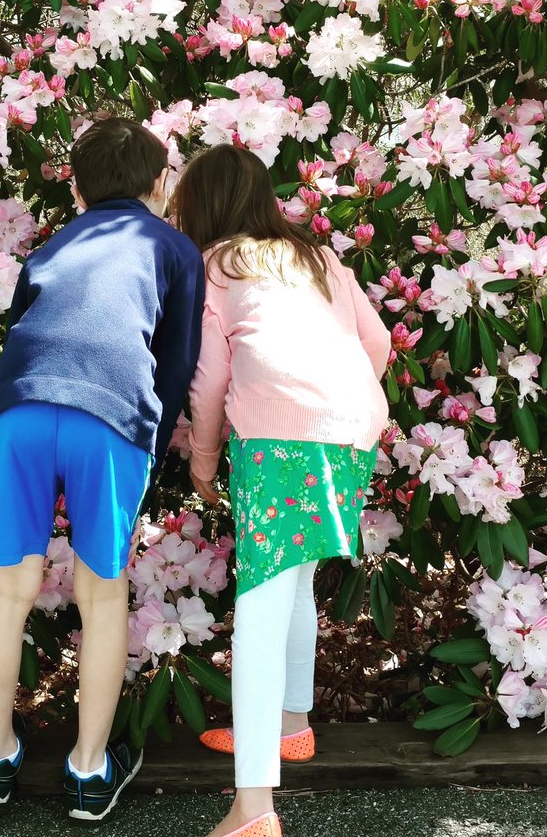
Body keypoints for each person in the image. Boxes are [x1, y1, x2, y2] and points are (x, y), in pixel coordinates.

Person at [0, 117, 205, 822]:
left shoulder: (47, 250)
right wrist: (155, 443)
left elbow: (24, 329)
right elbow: (176, 364)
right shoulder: (173, 249)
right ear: (161, 183)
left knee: (9, 589)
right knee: (102, 593)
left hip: (18, 409)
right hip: (109, 415)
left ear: (73, 189)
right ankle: (88, 770)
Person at [173, 145, 391, 837]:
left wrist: (202, 461)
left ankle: (253, 809)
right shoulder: (321, 256)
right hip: (351, 426)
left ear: (203, 206)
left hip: (278, 435)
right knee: (292, 578)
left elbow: (208, 383)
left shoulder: (217, 266)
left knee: (261, 603)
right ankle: (290, 725)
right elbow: (378, 341)